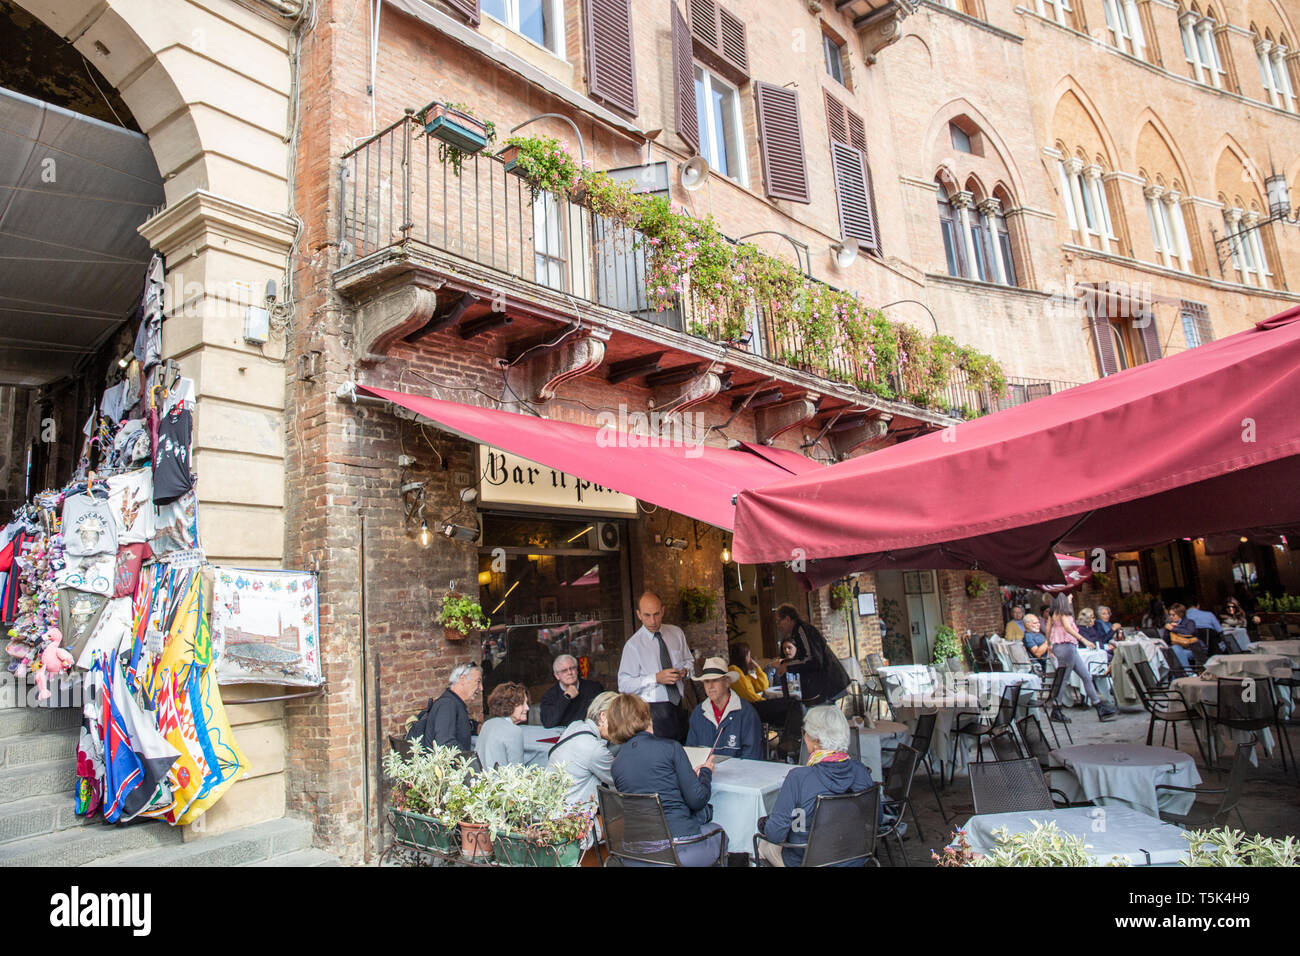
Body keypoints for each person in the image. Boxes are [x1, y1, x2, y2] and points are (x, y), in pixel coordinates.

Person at [608, 693, 726, 866]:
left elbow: (649, 784)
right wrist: (706, 772)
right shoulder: (670, 748)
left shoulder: (616, 764)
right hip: (678, 848)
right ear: (645, 717)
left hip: (635, 856)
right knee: (719, 832)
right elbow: (697, 799)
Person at [753, 706, 876, 867]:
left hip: (806, 860)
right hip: (854, 858)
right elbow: (876, 819)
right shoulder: (861, 771)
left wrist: (765, 824)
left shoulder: (798, 778)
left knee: (762, 845)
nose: (803, 736)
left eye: (805, 732)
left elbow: (775, 834)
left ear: (816, 741)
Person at [617, 591, 693, 741]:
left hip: (680, 705)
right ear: (638, 614)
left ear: (663, 611)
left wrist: (686, 670)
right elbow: (623, 684)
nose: (652, 621)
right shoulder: (633, 646)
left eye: (656, 614)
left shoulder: (676, 633)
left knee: (686, 752)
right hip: (653, 711)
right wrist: (655, 678)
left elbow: (689, 661)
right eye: (647, 615)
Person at [1045, 594, 1116, 723]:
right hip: (1067, 646)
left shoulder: (1053, 613)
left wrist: (1049, 643)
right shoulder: (1063, 613)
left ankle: (1099, 706)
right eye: (1069, 596)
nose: (1071, 597)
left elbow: (1049, 628)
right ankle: (1056, 708)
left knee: (1086, 676)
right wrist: (1084, 640)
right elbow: (1067, 627)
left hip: (1064, 646)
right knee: (1064, 678)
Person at [548, 690, 618, 806]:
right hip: (571, 816)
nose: (621, 725)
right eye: (618, 718)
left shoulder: (575, 726)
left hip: (552, 806)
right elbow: (618, 778)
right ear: (603, 716)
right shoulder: (594, 748)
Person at [685, 657, 764, 759]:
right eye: (707, 681)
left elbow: (752, 756)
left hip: (740, 774)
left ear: (727, 682)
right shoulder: (698, 713)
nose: (710, 686)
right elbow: (692, 753)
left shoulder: (746, 713)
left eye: (715, 680)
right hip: (705, 773)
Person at [774, 603, 850, 705]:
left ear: (787, 619)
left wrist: (787, 666)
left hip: (825, 684)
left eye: (779, 621)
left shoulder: (802, 630)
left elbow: (812, 659)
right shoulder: (799, 631)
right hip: (824, 685)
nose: (778, 626)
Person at [406, 661, 481, 752]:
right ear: (462, 679)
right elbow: (445, 743)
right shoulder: (447, 705)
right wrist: (472, 761)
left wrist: (475, 727)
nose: (481, 688)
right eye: (478, 682)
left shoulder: (452, 702)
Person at [729, 642, 790, 725]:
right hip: (749, 707)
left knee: (789, 704)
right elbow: (748, 695)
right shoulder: (733, 670)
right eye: (749, 655)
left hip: (755, 705)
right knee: (787, 704)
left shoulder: (744, 673)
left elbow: (763, 686)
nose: (750, 659)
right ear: (743, 656)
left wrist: (757, 667)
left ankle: (787, 732)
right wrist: (765, 701)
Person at [538, 654, 603, 729]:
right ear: (556, 676)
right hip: (560, 737)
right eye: (564, 670)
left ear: (577, 670)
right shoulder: (549, 695)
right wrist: (566, 697)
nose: (569, 673)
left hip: (588, 734)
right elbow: (548, 722)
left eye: (572, 668)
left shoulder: (593, 688)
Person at [1164, 603, 1206, 669]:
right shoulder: (1170, 625)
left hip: (1193, 648)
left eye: (1173, 615)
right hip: (1178, 649)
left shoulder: (1189, 622)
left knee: (1175, 652)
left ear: (1180, 614)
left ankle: (1186, 672)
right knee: (1173, 650)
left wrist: (1173, 629)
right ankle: (1180, 674)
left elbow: (1189, 632)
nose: (1171, 617)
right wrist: (1167, 630)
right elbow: (1166, 641)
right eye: (1170, 615)